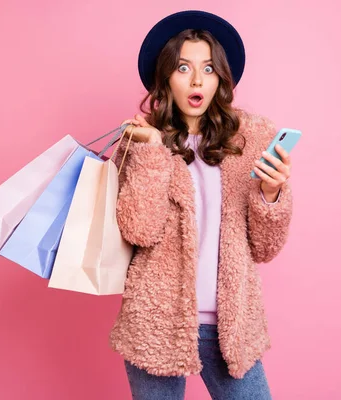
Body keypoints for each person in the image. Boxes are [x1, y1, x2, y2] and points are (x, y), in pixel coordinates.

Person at [109, 10, 294, 400]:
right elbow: (139, 230)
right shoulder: (140, 143)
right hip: (156, 321)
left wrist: (271, 194)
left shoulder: (252, 139)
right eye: (183, 67)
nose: (197, 80)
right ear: (165, 78)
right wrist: (153, 154)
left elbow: (264, 248)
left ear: (221, 78)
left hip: (231, 324)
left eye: (209, 68)